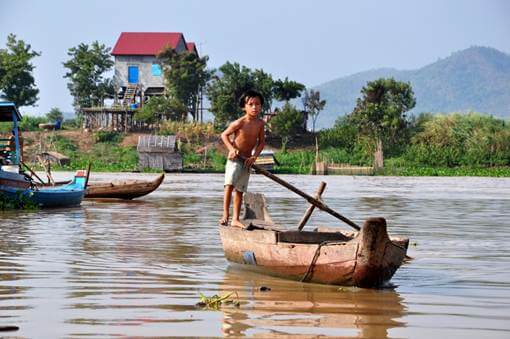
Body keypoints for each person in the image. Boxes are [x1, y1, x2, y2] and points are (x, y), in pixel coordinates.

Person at [219, 89, 266, 228]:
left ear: (261, 107)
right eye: (251, 104)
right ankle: (225, 215)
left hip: (247, 161)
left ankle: (235, 219)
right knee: (229, 185)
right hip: (235, 159)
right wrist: (232, 149)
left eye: (257, 104)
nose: (254, 107)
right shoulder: (239, 122)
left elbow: (261, 142)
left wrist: (254, 157)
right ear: (244, 107)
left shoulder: (260, 124)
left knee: (240, 190)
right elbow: (224, 135)